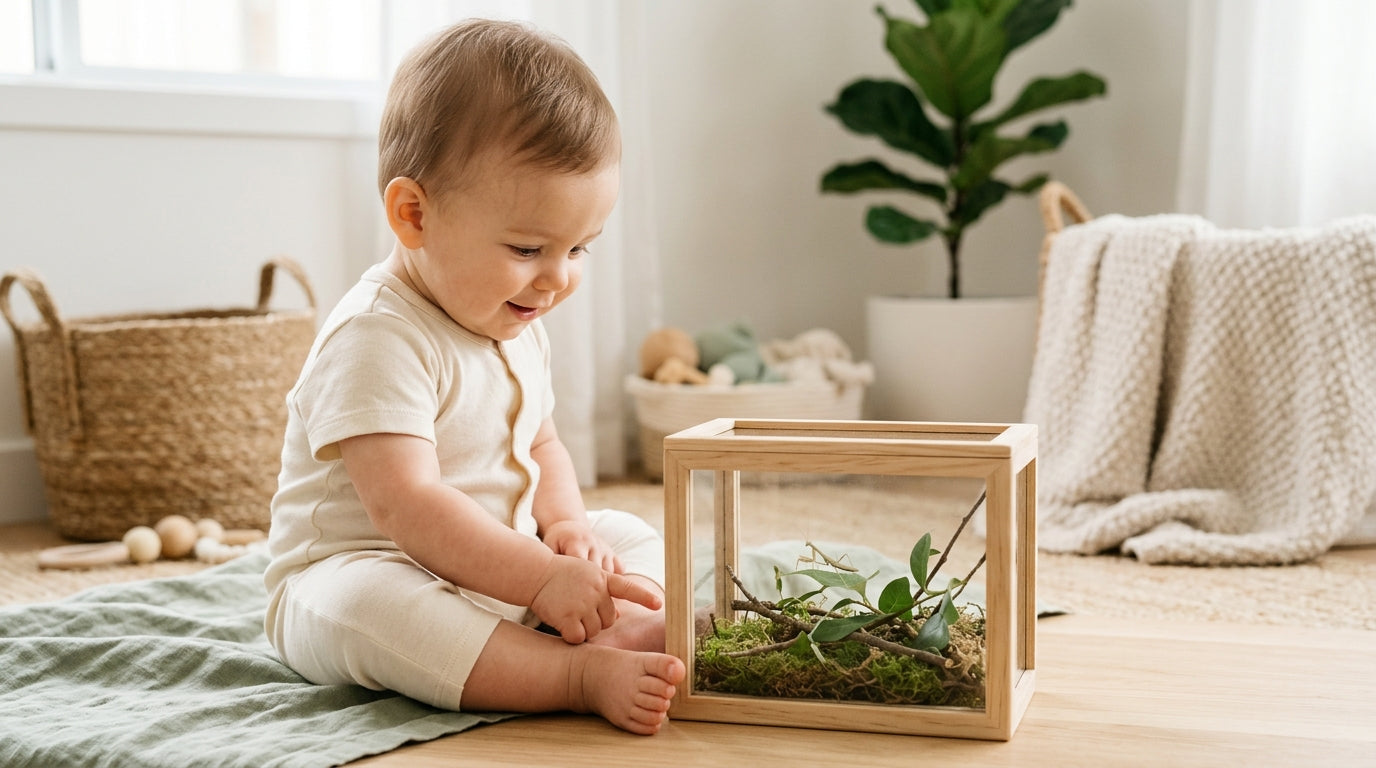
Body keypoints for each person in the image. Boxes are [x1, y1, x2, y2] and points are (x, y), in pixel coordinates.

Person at [263, 18, 685, 736]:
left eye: (578, 249)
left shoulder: (513, 319)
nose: (557, 278)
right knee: (372, 603)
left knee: (630, 532)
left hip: (503, 566)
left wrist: (567, 529)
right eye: (527, 248)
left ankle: (612, 621)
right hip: (368, 570)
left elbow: (541, 444)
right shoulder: (376, 336)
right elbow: (408, 505)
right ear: (414, 215)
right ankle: (573, 673)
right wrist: (541, 577)